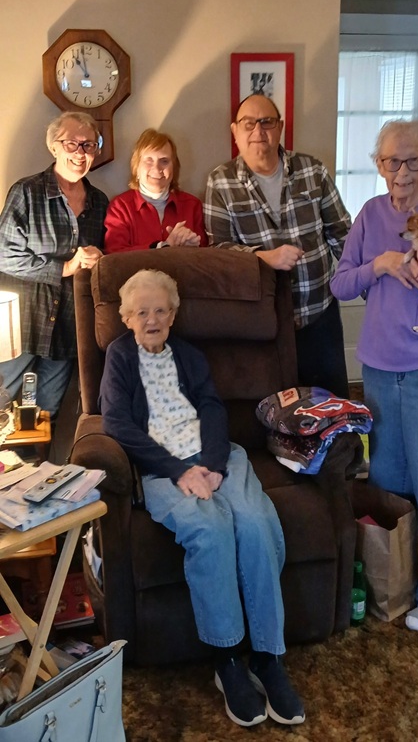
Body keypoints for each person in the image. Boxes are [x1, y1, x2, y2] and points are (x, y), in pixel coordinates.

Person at [99, 268, 305, 728]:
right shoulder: (119, 357)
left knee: (255, 522)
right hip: (162, 468)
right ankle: (227, 659)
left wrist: (213, 464)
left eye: (160, 310)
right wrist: (180, 470)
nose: (152, 320)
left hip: (216, 456)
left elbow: (212, 407)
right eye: (141, 312)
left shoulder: (189, 355)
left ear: (173, 315)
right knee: (211, 530)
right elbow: (116, 423)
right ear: (127, 318)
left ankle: (268, 658)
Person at [330, 119, 418, 632]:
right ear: (379, 165)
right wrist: (379, 264)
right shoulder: (371, 215)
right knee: (387, 482)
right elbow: (340, 285)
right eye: (392, 161)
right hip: (377, 368)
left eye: (413, 160)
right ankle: (394, 580)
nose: (402, 172)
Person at [205, 93, 351, 398]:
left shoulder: (313, 170)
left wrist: (367, 284)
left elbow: (342, 234)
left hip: (319, 315)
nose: (258, 131)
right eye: (248, 123)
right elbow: (218, 252)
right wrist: (262, 258)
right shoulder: (220, 182)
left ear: (280, 127)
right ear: (235, 131)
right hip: (263, 323)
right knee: (276, 409)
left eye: (267, 122)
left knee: (332, 405)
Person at [0, 111, 108, 419]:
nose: (80, 152)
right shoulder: (27, 192)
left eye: (89, 145)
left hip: (68, 328)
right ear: (54, 147)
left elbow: (106, 260)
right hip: (22, 324)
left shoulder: (100, 202)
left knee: (45, 418)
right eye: (71, 143)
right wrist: (65, 267)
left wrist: (98, 259)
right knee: (1, 404)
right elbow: (4, 254)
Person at [104, 128, 207, 253]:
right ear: (136, 167)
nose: (157, 168)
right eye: (149, 161)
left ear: (174, 168)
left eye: (164, 161)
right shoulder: (120, 207)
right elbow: (114, 255)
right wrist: (163, 246)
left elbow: (206, 255)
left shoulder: (193, 205)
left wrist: (192, 249)